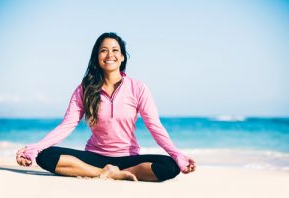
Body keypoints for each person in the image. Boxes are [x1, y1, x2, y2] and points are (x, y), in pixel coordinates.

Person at [16, 32, 196, 182]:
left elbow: (155, 127)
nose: (110, 55)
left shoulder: (138, 88)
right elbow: (66, 125)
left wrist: (178, 155)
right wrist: (35, 148)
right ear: (97, 57)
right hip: (94, 158)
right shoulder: (84, 89)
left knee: (170, 166)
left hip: (129, 158)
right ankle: (105, 173)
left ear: (122, 57)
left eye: (115, 50)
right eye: (103, 50)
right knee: (45, 156)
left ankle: (118, 172)